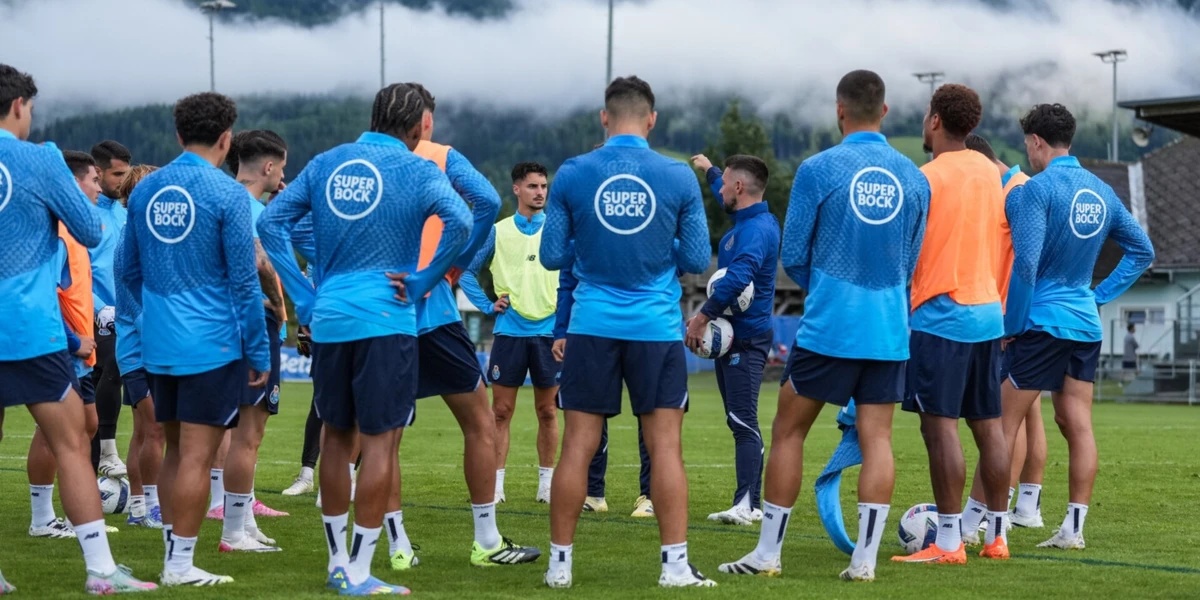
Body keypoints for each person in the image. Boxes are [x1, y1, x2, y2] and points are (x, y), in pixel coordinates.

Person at [258, 82, 472, 595]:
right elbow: (462, 222)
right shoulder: (419, 169)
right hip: (386, 319)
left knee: (335, 437)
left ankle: (338, 563)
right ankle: (359, 570)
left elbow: (271, 222)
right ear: (421, 124)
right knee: (380, 443)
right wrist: (426, 277)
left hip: (330, 317)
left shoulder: (329, 160)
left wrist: (305, 297)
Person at [719, 70, 929, 582]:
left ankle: (768, 554)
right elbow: (913, 259)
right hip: (887, 331)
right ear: (885, 111)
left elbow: (794, 254)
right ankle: (865, 562)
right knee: (878, 440)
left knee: (789, 431)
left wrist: (832, 290)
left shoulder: (817, 169)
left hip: (830, 326)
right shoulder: (915, 177)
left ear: (840, 111)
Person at [541, 75, 715, 589]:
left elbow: (552, 255)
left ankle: (560, 566)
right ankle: (675, 567)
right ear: (652, 119)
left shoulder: (573, 173)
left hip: (591, 324)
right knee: (664, 446)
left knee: (578, 445)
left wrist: (591, 245)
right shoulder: (679, 177)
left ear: (604, 117)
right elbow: (695, 259)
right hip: (654, 328)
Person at [0, 62, 156, 594]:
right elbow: (89, 229)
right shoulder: (38, 159)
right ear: (19, 106)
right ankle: (101, 571)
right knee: (70, 440)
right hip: (23, 325)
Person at [380, 82, 540, 571]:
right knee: (478, 420)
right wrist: (450, 267)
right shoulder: (441, 156)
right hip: (431, 309)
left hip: (379, 309)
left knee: (384, 436)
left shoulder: (357, 162)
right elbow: (488, 202)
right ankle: (486, 541)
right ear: (424, 121)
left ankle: (397, 547)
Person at [984, 103, 1153, 550]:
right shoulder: (1101, 191)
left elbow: (1026, 266)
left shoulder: (1034, 192)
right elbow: (1142, 250)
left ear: (1036, 142)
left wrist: (1011, 326)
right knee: (1076, 424)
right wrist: (1096, 296)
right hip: (1084, 325)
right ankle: (1073, 530)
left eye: (1027, 144)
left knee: (1002, 425)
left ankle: (986, 528)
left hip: (1040, 324)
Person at [119, 91, 272, 586]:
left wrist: (149, 319)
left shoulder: (144, 189)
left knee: (175, 452)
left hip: (160, 344)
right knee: (197, 457)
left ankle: (174, 558)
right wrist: (259, 348)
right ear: (226, 140)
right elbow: (246, 282)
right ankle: (179, 566)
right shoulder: (228, 194)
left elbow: (126, 270)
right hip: (211, 344)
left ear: (179, 135)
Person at [891, 84, 1011, 564]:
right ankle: (997, 538)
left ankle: (947, 543)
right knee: (989, 429)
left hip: (942, 314)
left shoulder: (925, 177)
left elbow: (906, 251)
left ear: (936, 121)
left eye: (925, 115)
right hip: (988, 313)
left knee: (940, 429)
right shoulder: (990, 170)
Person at [686, 153, 780, 526]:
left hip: (747, 340)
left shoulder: (756, 231)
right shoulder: (746, 219)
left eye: (725, 182)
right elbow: (720, 188)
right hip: (732, 340)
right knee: (736, 419)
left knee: (743, 420)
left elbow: (740, 276)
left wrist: (701, 318)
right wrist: (709, 169)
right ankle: (748, 501)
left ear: (739, 187)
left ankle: (747, 504)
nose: (720, 187)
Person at [460, 162, 561, 505]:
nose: (540, 193)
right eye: (533, 186)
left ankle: (546, 485)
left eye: (544, 187)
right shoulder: (498, 231)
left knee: (548, 411)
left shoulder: (558, 229)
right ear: (517, 189)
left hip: (550, 332)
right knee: (500, 412)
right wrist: (489, 305)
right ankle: (497, 485)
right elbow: (466, 273)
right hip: (511, 331)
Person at [961, 133, 1046, 536]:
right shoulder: (1010, 189)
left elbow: (1029, 263)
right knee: (1028, 415)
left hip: (1015, 323)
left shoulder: (1019, 191)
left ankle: (994, 512)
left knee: (1008, 419)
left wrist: (1013, 321)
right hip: (1011, 318)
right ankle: (1024, 506)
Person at [215, 129, 292, 553]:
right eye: (281, 166)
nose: (283, 174)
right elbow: (261, 263)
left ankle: (242, 522)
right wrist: (282, 311)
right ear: (268, 167)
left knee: (241, 430)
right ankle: (234, 532)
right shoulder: (248, 208)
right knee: (250, 432)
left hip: (227, 322)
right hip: (257, 320)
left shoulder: (228, 200)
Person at [27, 150, 110, 540]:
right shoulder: (58, 233)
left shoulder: (74, 233)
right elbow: (42, 292)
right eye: (94, 180)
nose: (98, 187)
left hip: (81, 349)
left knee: (86, 425)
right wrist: (74, 340)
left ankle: (64, 515)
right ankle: (43, 519)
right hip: (64, 348)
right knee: (60, 430)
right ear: (74, 183)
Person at [555, 261, 654, 516]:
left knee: (651, 414)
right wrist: (561, 330)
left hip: (645, 324)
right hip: (594, 327)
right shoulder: (584, 225)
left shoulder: (650, 225)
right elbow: (565, 274)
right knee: (590, 413)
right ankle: (594, 493)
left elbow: (687, 261)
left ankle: (651, 496)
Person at [113, 164, 166, 530]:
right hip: (140, 350)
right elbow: (135, 306)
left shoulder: (142, 238)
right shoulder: (130, 244)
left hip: (139, 348)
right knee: (156, 429)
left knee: (143, 431)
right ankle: (152, 504)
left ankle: (138, 507)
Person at [89, 140, 132, 478]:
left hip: (128, 313)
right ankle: (108, 450)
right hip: (95, 317)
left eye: (126, 174)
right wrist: (101, 308)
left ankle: (96, 478)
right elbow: (74, 272)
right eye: (117, 174)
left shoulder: (127, 213)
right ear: (99, 172)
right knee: (110, 369)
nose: (122, 180)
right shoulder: (86, 215)